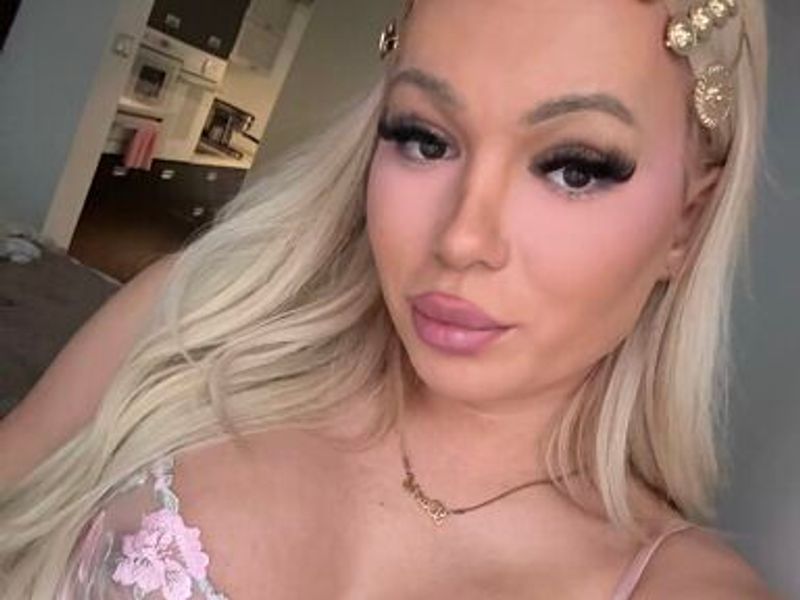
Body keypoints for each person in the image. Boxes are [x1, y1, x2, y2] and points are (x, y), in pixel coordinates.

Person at [0, 0, 778, 597]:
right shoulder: (193, 321)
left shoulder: (679, 586)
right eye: (424, 138)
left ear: (687, 220)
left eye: (574, 168)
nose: (462, 238)